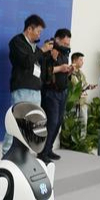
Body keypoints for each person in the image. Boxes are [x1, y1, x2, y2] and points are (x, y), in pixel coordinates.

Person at [2, 15, 53, 155]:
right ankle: (7, 155)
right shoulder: (17, 42)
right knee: (16, 123)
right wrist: (42, 50)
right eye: (38, 31)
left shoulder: (35, 47)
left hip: (36, 90)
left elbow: (42, 70)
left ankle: (26, 155)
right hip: (22, 90)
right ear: (29, 29)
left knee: (33, 124)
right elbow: (26, 62)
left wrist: (48, 55)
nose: (39, 35)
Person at [41, 28, 73, 163]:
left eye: (68, 44)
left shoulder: (65, 52)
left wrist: (69, 70)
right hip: (51, 92)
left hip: (63, 91)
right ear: (57, 39)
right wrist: (60, 68)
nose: (66, 46)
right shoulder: (49, 48)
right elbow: (44, 71)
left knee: (58, 122)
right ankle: (42, 152)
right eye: (64, 43)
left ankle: (49, 149)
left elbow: (62, 71)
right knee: (51, 122)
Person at [69, 52, 94, 130]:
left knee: (83, 124)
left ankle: (82, 138)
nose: (82, 62)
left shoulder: (81, 73)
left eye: (82, 60)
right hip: (73, 104)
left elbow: (84, 84)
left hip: (82, 102)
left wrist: (89, 86)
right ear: (74, 60)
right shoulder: (69, 72)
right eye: (80, 60)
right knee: (73, 125)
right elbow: (74, 86)